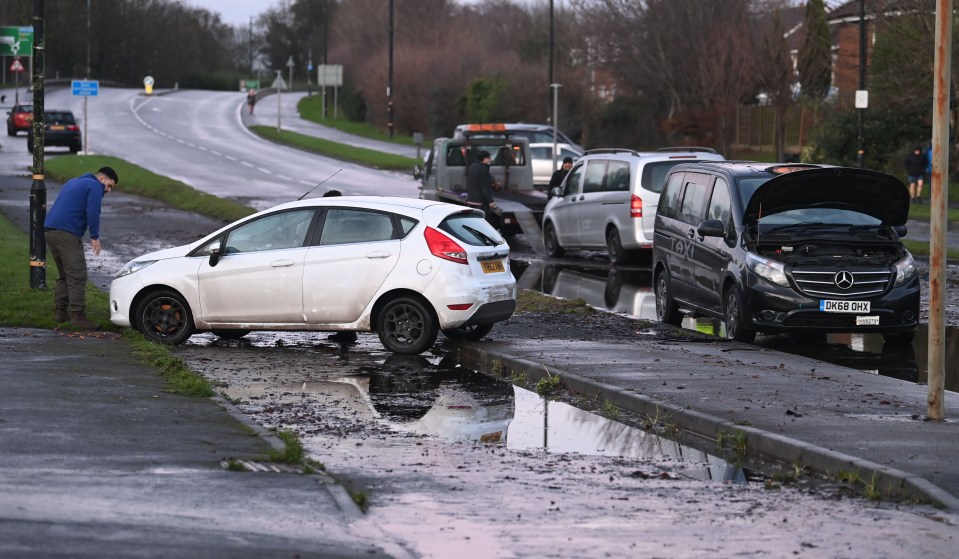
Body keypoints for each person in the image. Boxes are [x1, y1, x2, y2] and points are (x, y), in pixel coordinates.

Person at [44, 166, 119, 330]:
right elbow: (93, 212)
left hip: (50, 230)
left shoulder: (74, 181)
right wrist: (95, 236)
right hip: (66, 232)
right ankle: (78, 316)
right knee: (77, 275)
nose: (109, 190)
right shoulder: (94, 186)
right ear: (101, 179)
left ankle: (60, 312)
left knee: (65, 274)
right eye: (109, 185)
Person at [466, 150, 498, 223]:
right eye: (489, 158)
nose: (490, 159)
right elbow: (485, 187)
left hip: (471, 200)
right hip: (480, 202)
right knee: (483, 222)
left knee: (473, 222)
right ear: (484, 158)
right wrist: (491, 201)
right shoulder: (484, 169)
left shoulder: (472, 167)